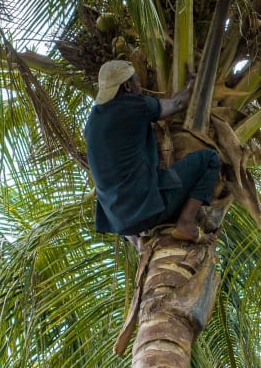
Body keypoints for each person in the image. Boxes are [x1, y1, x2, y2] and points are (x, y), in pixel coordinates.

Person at [85, 59, 220, 244]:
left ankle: (138, 243)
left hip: (120, 224)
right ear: (127, 86)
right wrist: (191, 84)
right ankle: (186, 224)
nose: (139, 86)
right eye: (136, 82)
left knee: (116, 183)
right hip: (147, 210)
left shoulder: (92, 122)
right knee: (210, 159)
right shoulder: (132, 106)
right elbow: (178, 104)